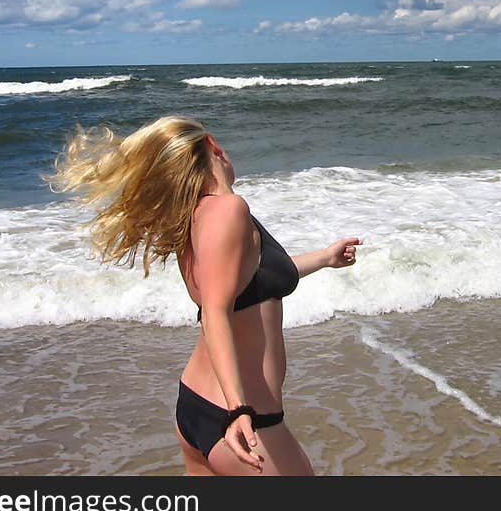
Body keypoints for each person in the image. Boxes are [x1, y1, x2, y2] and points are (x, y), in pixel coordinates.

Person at [48, 115, 361, 475]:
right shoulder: (229, 209)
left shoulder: (196, 217)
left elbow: (250, 282)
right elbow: (215, 310)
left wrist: (323, 258)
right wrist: (238, 408)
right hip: (243, 419)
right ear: (213, 146)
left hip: (196, 406)